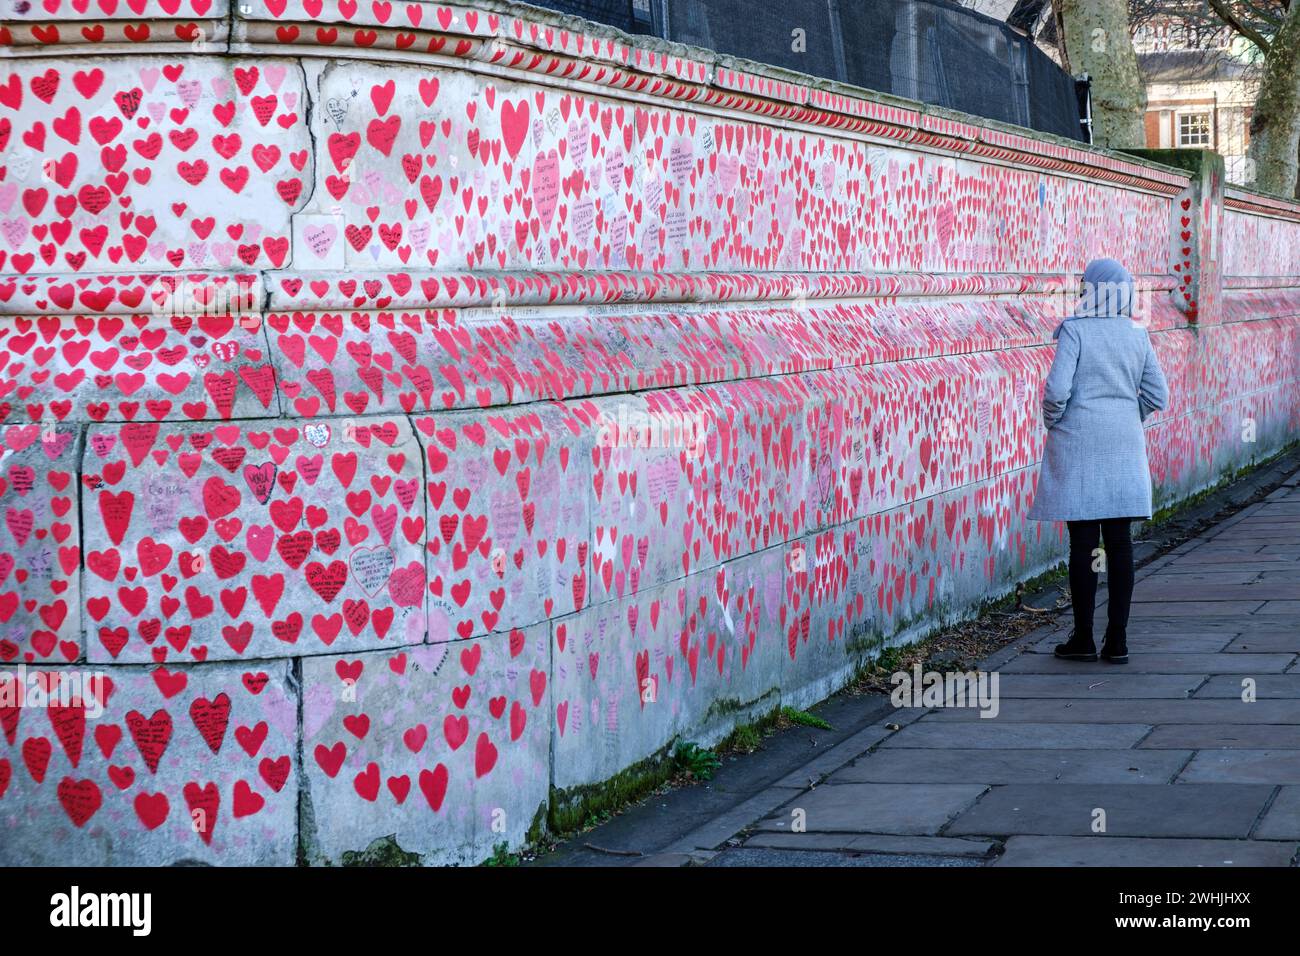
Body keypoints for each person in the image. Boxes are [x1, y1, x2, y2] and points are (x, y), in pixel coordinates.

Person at [1027, 258, 1169, 664]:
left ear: (1092, 289)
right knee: (1120, 545)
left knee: (1085, 543)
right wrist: (1126, 415)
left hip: (1080, 449)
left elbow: (1056, 391)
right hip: (1124, 448)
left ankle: (1084, 639)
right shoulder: (1137, 334)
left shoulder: (1075, 331)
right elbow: (1158, 396)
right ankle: (1118, 640)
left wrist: (1056, 423)